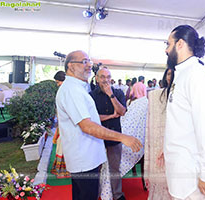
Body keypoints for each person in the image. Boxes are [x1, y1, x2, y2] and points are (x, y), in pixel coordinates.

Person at [56, 50, 141, 200]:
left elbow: (120, 112)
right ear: (70, 66)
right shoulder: (72, 90)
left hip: (87, 157)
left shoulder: (78, 89)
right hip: (84, 159)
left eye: (89, 61)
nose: (89, 65)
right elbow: (87, 126)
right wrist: (122, 137)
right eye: (84, 62)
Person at [163, 25, 205, 200]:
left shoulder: (197, 76)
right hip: (178, 169)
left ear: (179, 44)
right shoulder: (181, 74)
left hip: (190, 175)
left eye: (168, 44)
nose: (166, 50)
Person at [90, 67, 127, 200]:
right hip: (97, 137)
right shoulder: (91, 95)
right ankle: (96, 194)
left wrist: (110, 94)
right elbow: (92, 118)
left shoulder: (118, 93)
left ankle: (117, 195)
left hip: (114, 136)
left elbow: (122, 111)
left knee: (115, 169)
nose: (105, 80)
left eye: (108, 77)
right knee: (96, 169)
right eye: (102, 77)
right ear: (97, 79)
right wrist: (111, 116)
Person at [144, 68, 173, 200]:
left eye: (173, 74)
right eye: (168, 73)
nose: (170, 76)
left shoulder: (186, 97)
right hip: (158, 142)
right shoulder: (155, 96)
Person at [51, 71, 70, 178]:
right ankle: (62, 170)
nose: (58, 84)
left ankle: (64, 171)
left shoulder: (67, 91)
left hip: (67, 124)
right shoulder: (63, 91)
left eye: (58, 82)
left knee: (62, 145)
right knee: (60, 144)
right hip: (63, 123)